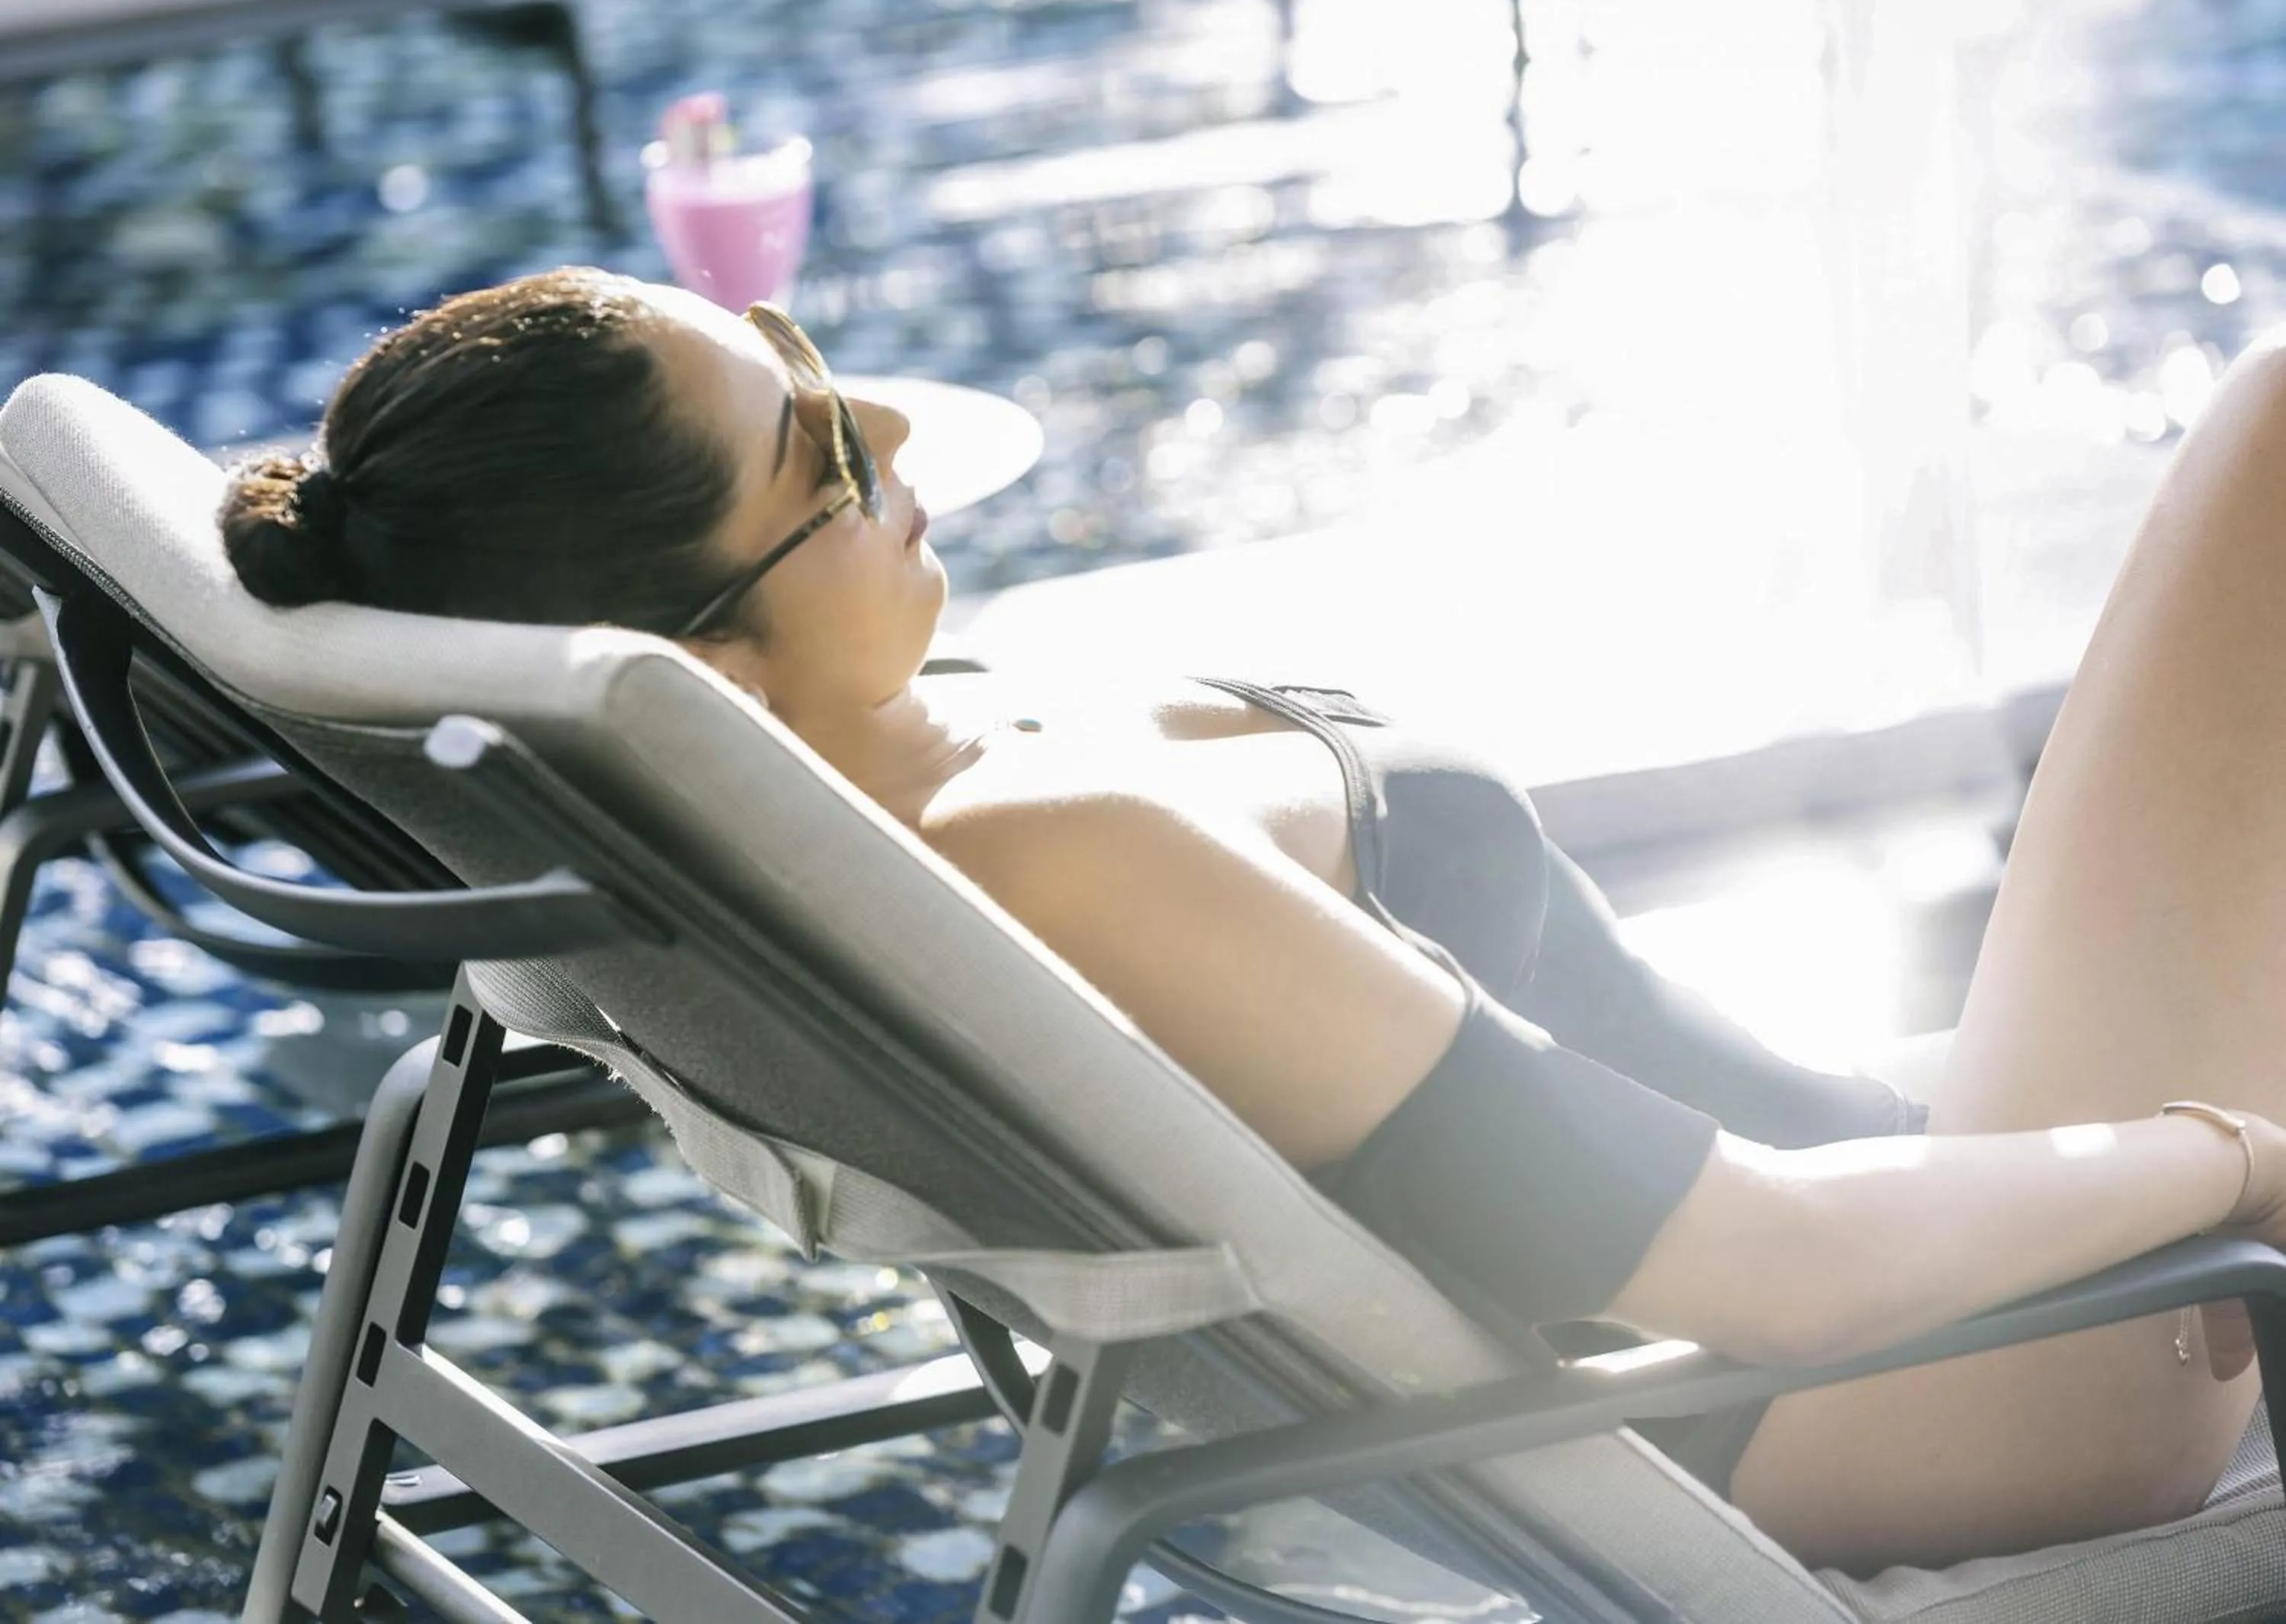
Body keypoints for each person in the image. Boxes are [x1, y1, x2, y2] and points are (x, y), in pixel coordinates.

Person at [219, 264, 2286, 1576]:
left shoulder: (841, 815)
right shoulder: (1055, 860)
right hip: (1952, 1388)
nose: (898, 432)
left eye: (810, 357)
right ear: (715, 669)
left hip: (1884, 1271)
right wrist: (2233, 1162)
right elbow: (1786, 1272)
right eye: (825, 455)